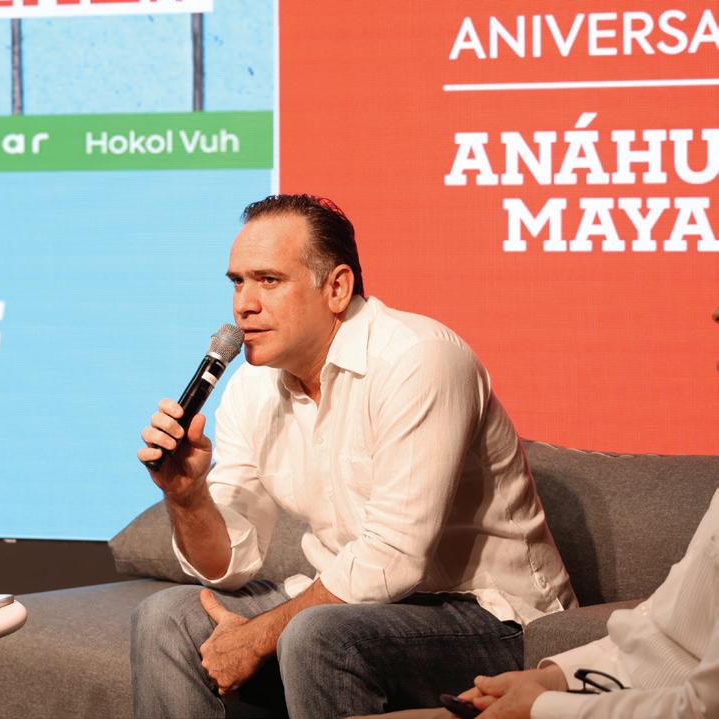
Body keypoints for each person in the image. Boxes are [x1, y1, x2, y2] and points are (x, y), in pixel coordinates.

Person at [132, 194, 576, 719]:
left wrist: (257, 637)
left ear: (337, 288)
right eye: (237, 282)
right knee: (166, 618)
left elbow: (393, 559)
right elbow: (229, 566)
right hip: (351, 609)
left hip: (491, 618)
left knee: (318, 634)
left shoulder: (419, 359)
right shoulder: (252, 388)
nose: (243, 304)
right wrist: (187, 497)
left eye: (268, 280)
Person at [353, 308, 719, 719]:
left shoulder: (428, 359)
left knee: (327, 637)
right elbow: (664, 634)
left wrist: (542, 707)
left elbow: (701, 709)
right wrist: (552, 678)